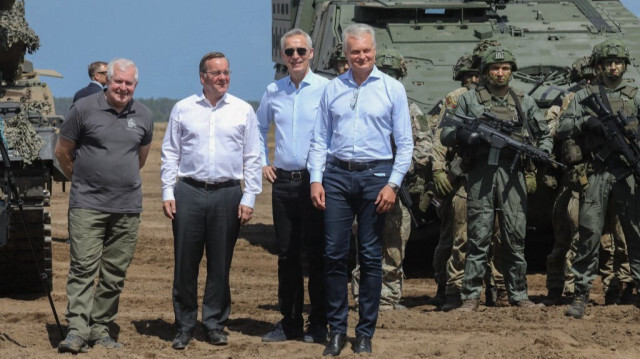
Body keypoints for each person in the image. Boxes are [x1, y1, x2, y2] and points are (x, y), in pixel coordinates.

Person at [308, 23, 413, 356]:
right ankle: (337, 330)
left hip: (376, 176)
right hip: (337, 176)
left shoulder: (392, 88)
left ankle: (365, 332)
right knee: (334, 255)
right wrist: (315, 178)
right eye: (355, 52)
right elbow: (320, 139)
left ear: (375, 51)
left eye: (366, 51)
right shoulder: (332, 89)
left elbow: (406, 144)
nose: (362, 57)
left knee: (370, 257)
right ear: (346, 53)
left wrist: (393, 184)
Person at [160, 52, 262, 348]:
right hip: (189, 191)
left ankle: (214, 322)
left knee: (220, 264)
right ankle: (184, 324)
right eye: (216, 73)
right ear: (202, 77)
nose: (223, 78)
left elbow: (252, 157)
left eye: (227, 73)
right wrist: (168, 191)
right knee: (185, 263)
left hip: (228, 193)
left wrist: (250, 196)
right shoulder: (183, 109)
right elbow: (170, 153)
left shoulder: (243, 110)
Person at [440, 46, 553, 311]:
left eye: (505, 68)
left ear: (511, 71)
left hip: (512, 173)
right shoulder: (469, 100)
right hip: (480, 174)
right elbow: (446, 132)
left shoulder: (523, 101)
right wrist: (464, 136)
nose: (500, 73)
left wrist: (543, 153)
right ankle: (470, 297)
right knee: (478, 236)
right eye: (494, 68)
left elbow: (545, 135)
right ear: (485, 72)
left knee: (515, 237)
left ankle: (518, 294)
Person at [55, 58, 153, 353]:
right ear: (107, 81)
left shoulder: (145, 116)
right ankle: (76, 330)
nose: (123, 88)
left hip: (126, 207)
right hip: (88, 205)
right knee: (83, 268)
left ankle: (100, 329)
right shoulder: (83, 109)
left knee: (114, 273)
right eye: (118, 82)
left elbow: (141, 158)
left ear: (135, 85)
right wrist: (84, 179)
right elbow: (62, 152)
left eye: (129, 83)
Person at [557, 39, 640, 319]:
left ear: (625, 65)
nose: (613, 67)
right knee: (590, 232)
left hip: (628, 173)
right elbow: (563, 126)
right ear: (599, 66)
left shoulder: (634, 95)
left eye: (617, 62)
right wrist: (585, 123)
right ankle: (581, 293)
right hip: (597, 172)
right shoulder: (584, 96)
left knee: (634, 233)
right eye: (607, 62)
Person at [257, 29, 329, 344]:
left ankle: (318, 324)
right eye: (289, 52)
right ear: (283, 56)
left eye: (301, 50)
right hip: (284, 183)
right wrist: (262, 161)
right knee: (287, 255)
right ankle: (290, 322)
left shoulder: (327, 89)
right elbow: (258, 128)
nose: (295, 56)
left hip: (317, 183)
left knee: (317, 255)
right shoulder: (273, 90)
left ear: (311, 53)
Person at [350, 48, 430, 311]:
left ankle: (388, 298)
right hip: (365, 186)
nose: (388, 77)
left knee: (395, 245)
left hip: (396, 188)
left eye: (393, 73)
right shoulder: (356, 102)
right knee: (366, 244)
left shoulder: (409, 108)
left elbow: (424, 146)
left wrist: (399, 170)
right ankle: (364, 297)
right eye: (384, 72)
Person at [432, 50, 507, 312]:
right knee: (459, 237)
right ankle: (452, 288)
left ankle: (497, 288)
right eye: (470, 76)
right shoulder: (458, 99)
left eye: (478, 75)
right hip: (463, 175)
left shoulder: (503, 98)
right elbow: (442, 134)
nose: (474, 80)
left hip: (492, 176)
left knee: (496, 236)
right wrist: (439, 169)